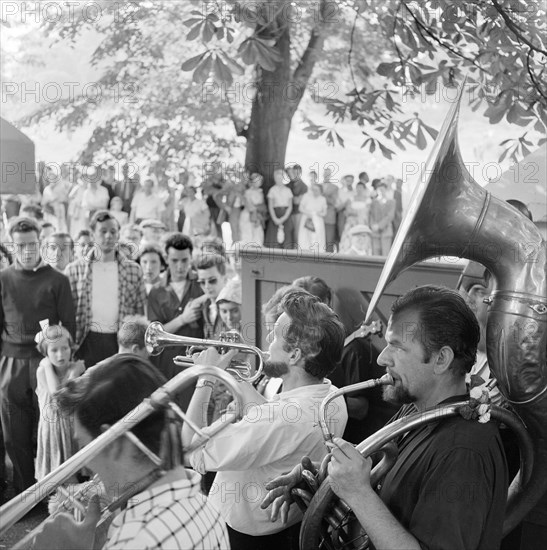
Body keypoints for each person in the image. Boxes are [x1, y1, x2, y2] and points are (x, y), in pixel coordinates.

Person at [263, 285, 508, 550]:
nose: (381, 358)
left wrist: (358, 493)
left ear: (441, 359)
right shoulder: (417, 408)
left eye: (397, 347)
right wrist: (320, 477)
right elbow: (382, 476)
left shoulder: (465, 451)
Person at [183, 289, 348, 550]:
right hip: (283, 531)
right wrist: (234, 377)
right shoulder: (332, 396)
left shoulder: (281, 418)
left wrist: (206, 376)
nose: (268, 340)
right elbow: (268, 418)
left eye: (275, 335)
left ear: (294, 356)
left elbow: (190, 446)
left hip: (240, 539)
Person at [31, 354, 230, 550]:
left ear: (115, 444)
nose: (86, 463)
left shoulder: (134, 540)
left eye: (85, 447)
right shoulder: (208, 506)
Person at [0, 217, 75, 493]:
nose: (28, 251)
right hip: (10, 363)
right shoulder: (4, 279)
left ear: (40, 243)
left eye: (32, 244)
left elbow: (70, 326)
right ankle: (22, 494)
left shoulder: (58, 280)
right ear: (13, 246)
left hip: (48, 363)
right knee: (14, 433)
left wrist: (63, 367)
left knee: (50, 430)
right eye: (21, 246)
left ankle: (52, 491)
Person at [66, 211, 146, 369]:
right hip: (84, 340)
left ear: (118, 235)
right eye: (103, 231)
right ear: (93, 234)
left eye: (113, 231)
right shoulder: (75, 270)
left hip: (120, 341)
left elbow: (140, 312)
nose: (108, 236)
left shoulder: (133, 270)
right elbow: (67, 312)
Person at [147, 233, 205, 382]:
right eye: (174, 260)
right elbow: (154, 335)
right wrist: (183, 319)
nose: (180, 266)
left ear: (191, 257)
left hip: (195, 364)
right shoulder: (156, 291)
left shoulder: (202, 283)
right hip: (165, 365)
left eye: (185, 260)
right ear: (166, 259)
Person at [34, 324, 85, 481]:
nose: (60, 354)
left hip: (72, 430)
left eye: (65, 348)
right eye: (53, 350)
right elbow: (58, 396)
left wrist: (74, 371)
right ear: (45, 354)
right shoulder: (43, 370)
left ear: (71, 348)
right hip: (53, 432)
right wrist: (72, 373)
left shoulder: (75, 367)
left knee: (75, 477)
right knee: (58, 479)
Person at [195, 254, 228, 339]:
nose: (206, 286)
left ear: (225, 279)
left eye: (212, 281)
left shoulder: (236, 304)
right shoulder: (203, 306)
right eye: (202, 282)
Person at [264, 169, 294, 249]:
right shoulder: (272, 190)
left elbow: (290, 206)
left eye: (280, 178)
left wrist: (284, 218)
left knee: (286, 235)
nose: (279, 180)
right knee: (274, 238)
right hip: (275, 215)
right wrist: (275, 219)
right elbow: (270, 206)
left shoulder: (288, 190)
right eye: (277, 178)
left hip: (285, 215)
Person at [369, 178, 396, 255]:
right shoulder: (373, 202)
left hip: (386, 231)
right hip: (375, 231)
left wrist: (379, 225)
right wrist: (373, 225)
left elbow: (390, 216)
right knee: (375, 253)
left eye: (382, 189)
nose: (381, 191)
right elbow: (371, 215)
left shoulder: (391, 202)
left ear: (386, 190)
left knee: (385, 254)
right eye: (379, 189)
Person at [298, 183, 327, 253]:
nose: (315, 191)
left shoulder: (323, 199)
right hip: (306, 219)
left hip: (318, 221)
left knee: (317, 237)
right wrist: (308, 213)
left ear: (321, 191)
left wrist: (317, 214)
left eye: (317, 190)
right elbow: (300, 208)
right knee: (305, 237)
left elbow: (324, 213)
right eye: (313, 190)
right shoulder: (306, 196)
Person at [239, 173, 266, 247]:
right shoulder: (248, 192)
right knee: (248, 235)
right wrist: (255, 217)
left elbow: (262, 206)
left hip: (257, 215)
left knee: (257, 234)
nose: (258, 182)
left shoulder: (260, 192)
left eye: (260, 181)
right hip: (249, 216)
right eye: (256, 181)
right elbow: (249, 206)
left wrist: (259, 216)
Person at [286, 164, 308, 243]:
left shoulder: (304, 186)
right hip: (288, 212)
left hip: (297, 212)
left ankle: (296, 250)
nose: (295, 175)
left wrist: (290, 198)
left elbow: (297, 201)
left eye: (297, 173)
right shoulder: (288, 185)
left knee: (297, 232)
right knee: (288, 232)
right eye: (294, 173)